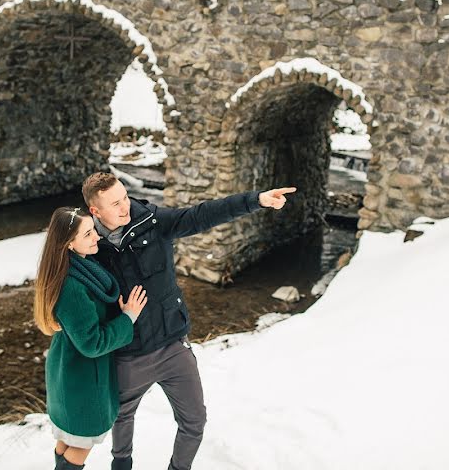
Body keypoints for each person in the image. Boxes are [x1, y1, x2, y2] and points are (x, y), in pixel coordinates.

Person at [82, 173, 296, 470]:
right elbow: (67, 286)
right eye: (115, 203)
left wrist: (255, 200)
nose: (125, 207)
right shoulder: (87, 246)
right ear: (95, 211)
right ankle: (122, 465)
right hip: (129, 354)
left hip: (173, 347)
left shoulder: (152, 222)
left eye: (125, 198)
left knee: (194, 422)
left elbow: (200, 215)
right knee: (121, 417)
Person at [34, 206, 149, 470]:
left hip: (68, 369)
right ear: (69, 244)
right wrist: (127, 317)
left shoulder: (79, 266)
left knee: (67, 438)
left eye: (93, 229)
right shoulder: (71, 286)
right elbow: (92, 343)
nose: (97, 236)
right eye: (88, 234)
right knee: (80, 443)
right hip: (82, 379)